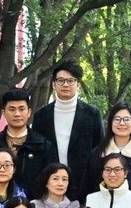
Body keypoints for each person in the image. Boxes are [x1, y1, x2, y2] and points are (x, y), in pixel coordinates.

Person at [32, 60, 105, 199]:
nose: (65, 84)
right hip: (50, 186)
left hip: (84, 184)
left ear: (78, 84)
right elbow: (37, 153)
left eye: (71, 81)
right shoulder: (41, 116)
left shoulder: (92, 114)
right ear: (53, 84)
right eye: (61, 80)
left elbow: (99, 150)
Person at [0, 89, 58, 198]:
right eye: (12, 109)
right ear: (3, 113)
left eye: (21, 109)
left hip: (32, 205)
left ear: (29, 112)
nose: (17, 114)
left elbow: (52, 180)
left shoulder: (43, 146)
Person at [86, 103, 131, 196]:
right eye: (117, 119)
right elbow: (88, 189)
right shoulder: (97, 154)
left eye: (127, 119)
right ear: (110, 123)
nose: (122, 123)